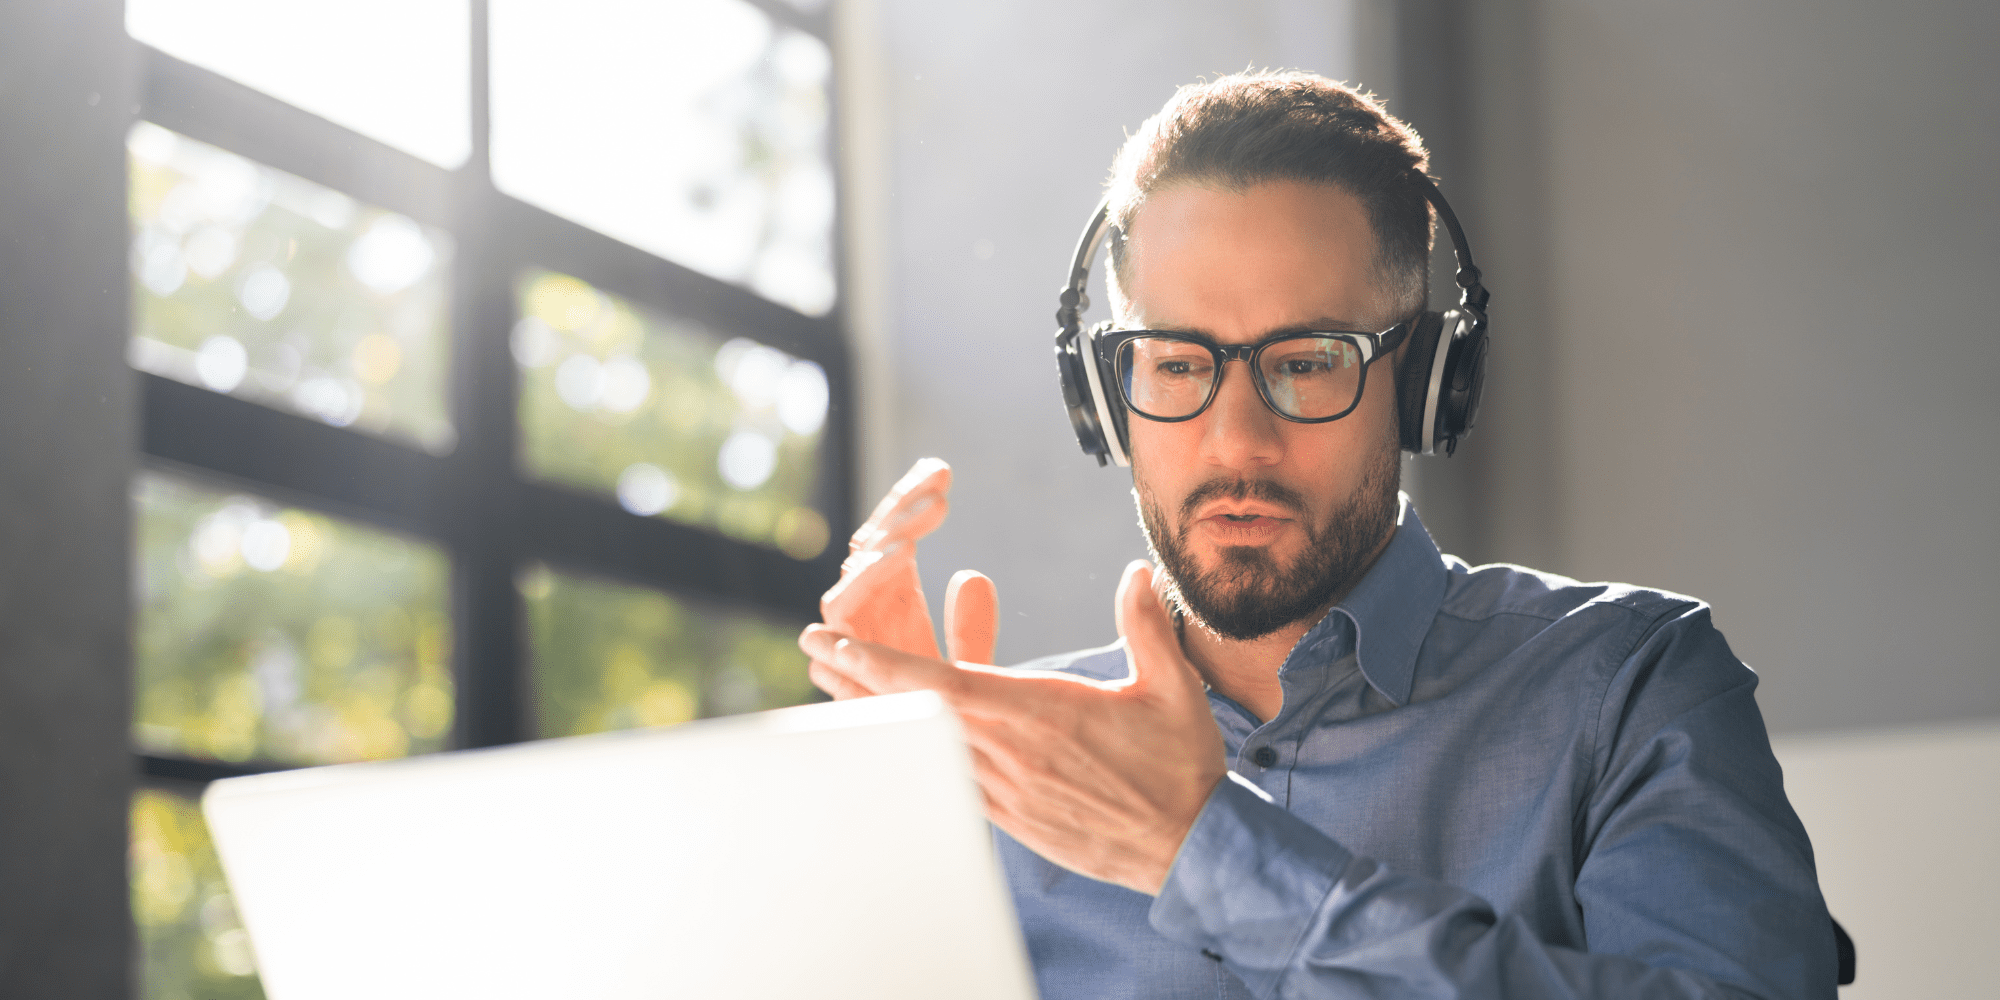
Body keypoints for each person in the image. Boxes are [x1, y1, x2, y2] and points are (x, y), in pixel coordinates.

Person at [799, 71, 1836, 999]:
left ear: (1425, 384)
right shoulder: (1007, 761)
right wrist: (887, 812)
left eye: (1304, 360)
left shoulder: (1630, 687)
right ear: (1105, 397)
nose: (1233, 438)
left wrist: (1202, 852)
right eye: (1173, 362)